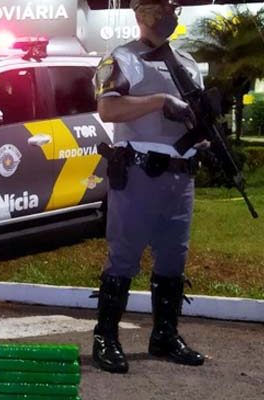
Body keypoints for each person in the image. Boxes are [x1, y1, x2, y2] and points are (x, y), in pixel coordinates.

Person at [92, 0, 205, 373]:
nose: (169, 15)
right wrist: (158, 101)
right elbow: (108, 110)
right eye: (160, 8)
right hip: (139, 174)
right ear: (140, 13)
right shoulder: (124, 59)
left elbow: (194, 118)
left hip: (180, 175)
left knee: (174, 257)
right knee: (124, 257)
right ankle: (105, 338)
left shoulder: (188, 65)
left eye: (173, 8)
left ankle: (165, 336)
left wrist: (201, 136)